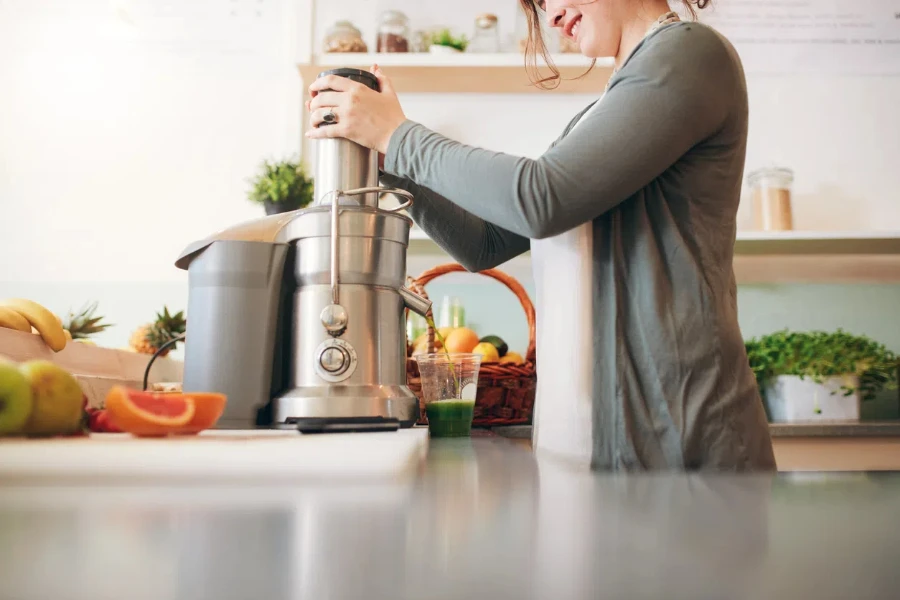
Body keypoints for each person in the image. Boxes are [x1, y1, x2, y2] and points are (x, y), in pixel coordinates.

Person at [305, 0, 778, 472]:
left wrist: (399, 136)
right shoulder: (599, 114)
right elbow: (485, 243)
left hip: (680, 442)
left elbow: (541, 197)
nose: (549, 17)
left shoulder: (690, 52)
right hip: (593, 446)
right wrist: (395, 164)